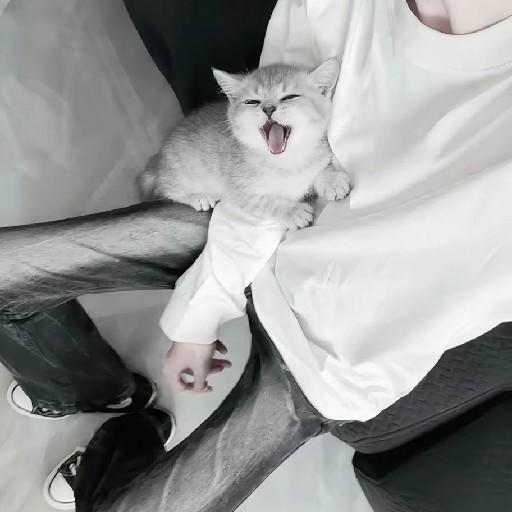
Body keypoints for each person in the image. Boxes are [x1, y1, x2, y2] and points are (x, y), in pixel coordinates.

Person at [3, 0, 512, 510]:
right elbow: (253, 169)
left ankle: (122, 449)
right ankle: (87, 391)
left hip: (330, 357)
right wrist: (201, 312)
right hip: (261, 228)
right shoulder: (336, 8)